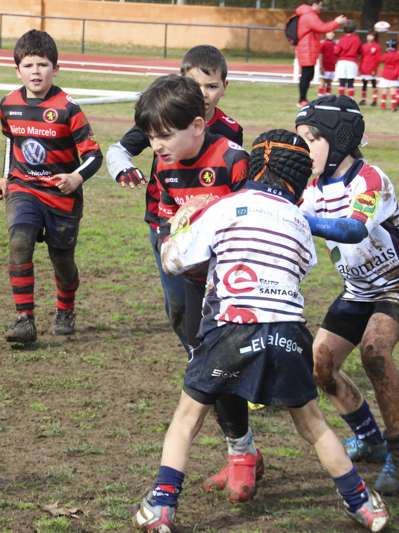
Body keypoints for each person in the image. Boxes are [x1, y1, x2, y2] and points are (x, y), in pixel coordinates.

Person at [132, 128, 389, 533]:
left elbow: (174, 262)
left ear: (253, 167)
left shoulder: (223, 206)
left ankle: (162, 505)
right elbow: (300, 269)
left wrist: (172, 228)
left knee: (187, 418)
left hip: (230, 329)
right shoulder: (301, 223)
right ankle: (362, 503)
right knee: (312, 424)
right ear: (300, 180)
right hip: (289, 331)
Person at [135, 74, 268, 504]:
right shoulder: (164, 164)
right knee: (209, 369)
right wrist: (176, 227)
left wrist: (210, 207)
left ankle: (246, 458)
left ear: (197, 125)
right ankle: (242, 454)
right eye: (150, 136)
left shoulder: (234, 160)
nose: (156, 145)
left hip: (237, 288)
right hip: (196, 285)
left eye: (164, 135)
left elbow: (261, 218)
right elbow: (160, 217)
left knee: (237, 372)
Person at [295, 95, 399, 496]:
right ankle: (369, 438)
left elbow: (354, 229)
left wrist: (298, 216)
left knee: (374, 350)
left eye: (310, 139)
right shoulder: (311, 187)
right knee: (322, 364)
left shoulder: (370, 178)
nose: (304, 149)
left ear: (338, 140)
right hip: (358, 288)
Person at [105, 45, 243, 355]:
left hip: (214, 229)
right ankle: (199, 359)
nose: (204, 94)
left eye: (212, 86)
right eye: (197, 85)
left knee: (221, 300)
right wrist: (122, 167)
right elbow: (118, 150)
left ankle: (224, 365)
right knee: (178, 303)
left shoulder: (231, 134)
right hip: (166, 221)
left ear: (224, 87)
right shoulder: (161, 117)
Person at [0, 30, 102, 342]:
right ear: (17, 70)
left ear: (56, 69)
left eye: (43, 64)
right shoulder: (9, 104)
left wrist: (75, 178)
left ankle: (65, 308)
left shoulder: (68, 108)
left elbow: (94, 155)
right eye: (28, 65)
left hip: (62, 197)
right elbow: (12, 141)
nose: (36, 71)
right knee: (19, 243)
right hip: (24, 189)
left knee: (62, 262)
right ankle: (24, 319)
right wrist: (5, 176)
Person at [294, 0, 346, 106]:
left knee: (308, 74)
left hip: (308, 48)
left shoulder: (308, 14)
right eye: (321, 5)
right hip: (307, 48)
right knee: (306, 74)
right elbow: (323, 28)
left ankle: (303, 98)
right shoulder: (309, 15)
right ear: (314, 4)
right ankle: (302, 99)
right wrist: (336, 22)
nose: (322, 7)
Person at [334, 19, 361, 99]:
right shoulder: (357, 39)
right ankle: (350, 99)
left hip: (342, 61)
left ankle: (340, 98)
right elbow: (359, 51)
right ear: (354, 29)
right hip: (352, 62)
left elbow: (336, 52)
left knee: (342, 82)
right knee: (350, 82)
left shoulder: (341, 39)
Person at [377, 38, 399, 111]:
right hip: (394, 75)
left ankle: (383, 106)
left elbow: (381, 59)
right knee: (393, 91)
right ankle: (393, 107)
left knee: (385, 90)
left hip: (386, 75)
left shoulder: (386, 55)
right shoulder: (398, 55)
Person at [359, 30, 382, 106]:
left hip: (372, 67)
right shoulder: (364, 46)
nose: (369, 37)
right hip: (364, 67)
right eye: (368, 35)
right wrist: (360, 68)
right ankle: (363, 99)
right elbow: (361, 57)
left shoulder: (377, 47)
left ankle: (374, 100)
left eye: (371, 35)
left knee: (373, 84)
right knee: (364, 84)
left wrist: (374, 69)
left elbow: (377, 59)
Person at [318, 31, 338, 97]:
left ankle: (328, 96)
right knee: (323, 82)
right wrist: (321, 66)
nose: (331, 35)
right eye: (329, 33)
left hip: (332, 66)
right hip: (325, 66)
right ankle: (320, 96)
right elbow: (320, 55)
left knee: (329, 82)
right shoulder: (323, 44)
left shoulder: (335, 44)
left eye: (332, 33)